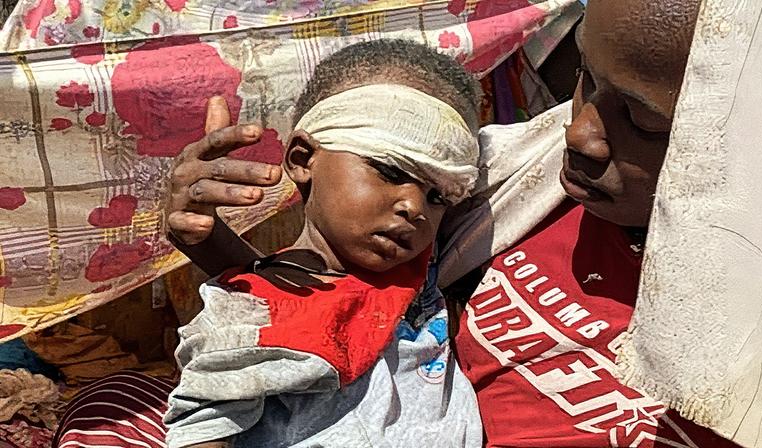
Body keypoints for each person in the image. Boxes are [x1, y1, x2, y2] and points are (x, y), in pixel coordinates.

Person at [54, 0, 744, 447]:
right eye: (584, 81)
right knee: (109, 406)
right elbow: (313, 309)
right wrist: (220, 258)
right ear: (300, 158)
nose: (579, 134)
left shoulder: (753, 334)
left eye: (644, 120)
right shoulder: (511, 185)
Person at [60, 39, 486, 448]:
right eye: (389, 170)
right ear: (302, 160)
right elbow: (205, 425)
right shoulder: (251, 320)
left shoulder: (422, 270)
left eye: (438, 196)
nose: (415, 206)